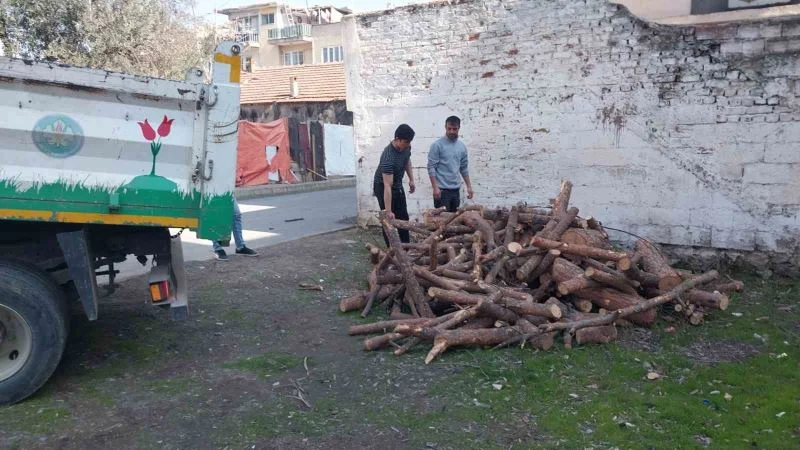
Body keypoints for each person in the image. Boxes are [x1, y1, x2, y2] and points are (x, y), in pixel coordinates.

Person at [373, 124, 416, 245]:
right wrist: (388, 210)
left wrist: (411, 179)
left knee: (403, 217)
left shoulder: (406, 147)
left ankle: (406, 248)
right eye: (406, 142)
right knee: (389, 220)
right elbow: (387, 185)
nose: (408, 144)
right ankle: (391, 250)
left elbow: (407, 160)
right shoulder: (388, 157)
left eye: (409, 142)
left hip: (397, 185)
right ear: (397, 139)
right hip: (382, 187)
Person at [427, 115, 473, 212]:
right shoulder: (437, 145)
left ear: (459, 128)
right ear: (445, 127)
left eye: (454, 129)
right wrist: (435, 188)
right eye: (449, 128)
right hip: (442, 192)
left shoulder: (462, 147)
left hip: (456, 191)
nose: (451, 131)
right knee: (442, 223)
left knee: (455, 221)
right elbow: (431, 168)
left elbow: (463, 168)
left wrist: (469, 186)